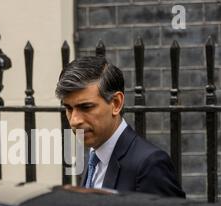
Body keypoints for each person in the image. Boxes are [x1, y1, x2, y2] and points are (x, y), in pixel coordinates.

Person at [56, 56, 185, 198]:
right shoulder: (95, 155)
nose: (74, 120)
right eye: (68, 109)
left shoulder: (149, 165)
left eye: (86, 107)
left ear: (116, 103)